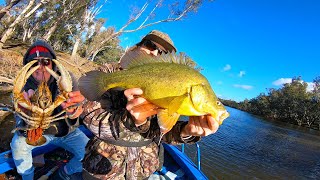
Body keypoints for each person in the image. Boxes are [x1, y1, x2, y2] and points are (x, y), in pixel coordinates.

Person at [81, 30, 220, 179]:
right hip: (103, 169)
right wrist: (131, 120)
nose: (154, 53)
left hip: (143, 171)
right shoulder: (107, 73)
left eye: (162, 53)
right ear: (138, 45)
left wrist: (187, 131)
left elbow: (160, 134)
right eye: (150, 45)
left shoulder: (167, 88)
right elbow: (90, 118)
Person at [10, 40, 89, 180]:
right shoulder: (21, 85)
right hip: (35, 133)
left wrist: (74, 111)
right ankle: (27, 176)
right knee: (17, 144)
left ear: (52, 63)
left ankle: (66, 171)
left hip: (66, 132)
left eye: (45, 61)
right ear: (28, 67)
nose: (40, 67)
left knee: (90, 153)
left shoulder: (67, 79)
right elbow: (19, 122)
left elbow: (77, 110)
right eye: (34, 63)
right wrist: (25, 113)